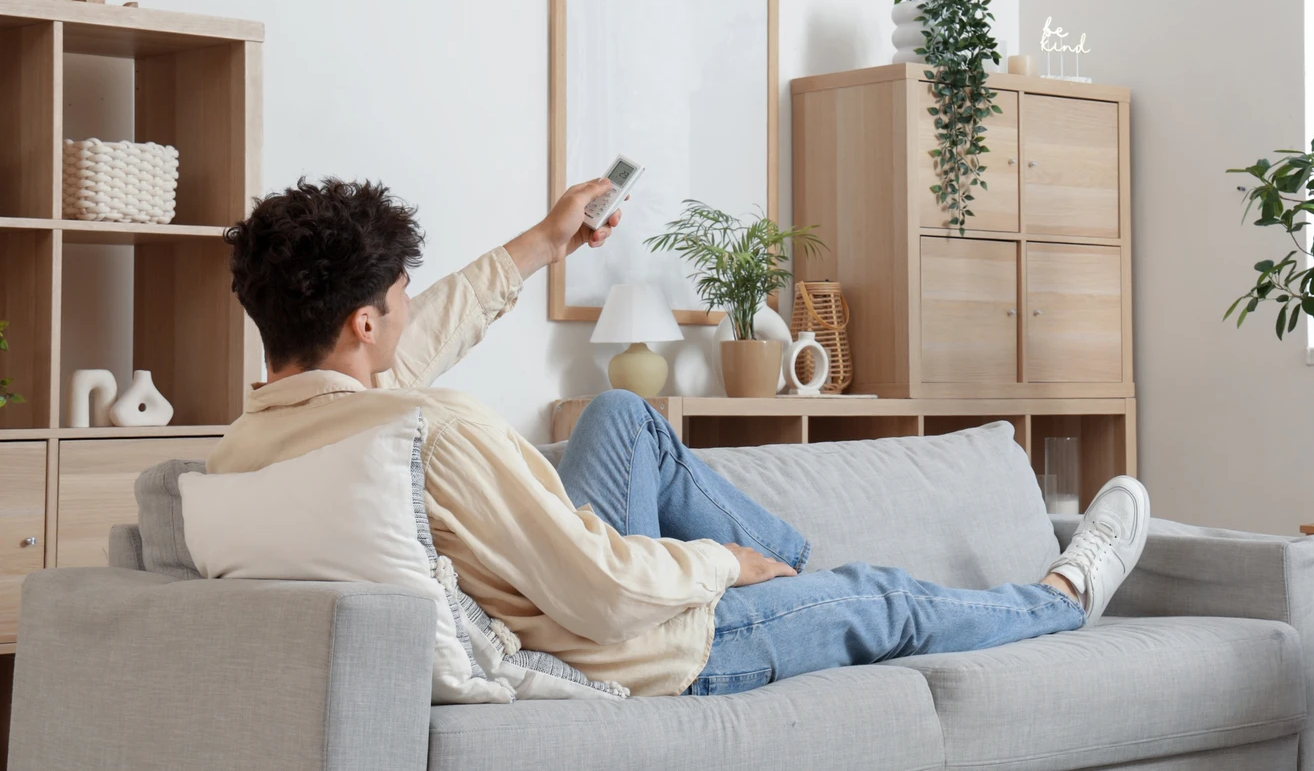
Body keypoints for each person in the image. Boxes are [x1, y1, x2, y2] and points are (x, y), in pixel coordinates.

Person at [209, 176, 1149, 696]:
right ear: (366, 325)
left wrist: (544, 239)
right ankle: (1063, 595)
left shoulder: (263, 438)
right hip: (628, 646)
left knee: (623, 414)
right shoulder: (434, 432)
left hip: (565, 595)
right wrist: (724, 566)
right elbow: (604, 588)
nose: (414, 311)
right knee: (884, 597)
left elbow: (426, 335)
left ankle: (801, 580)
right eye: (398, 298)